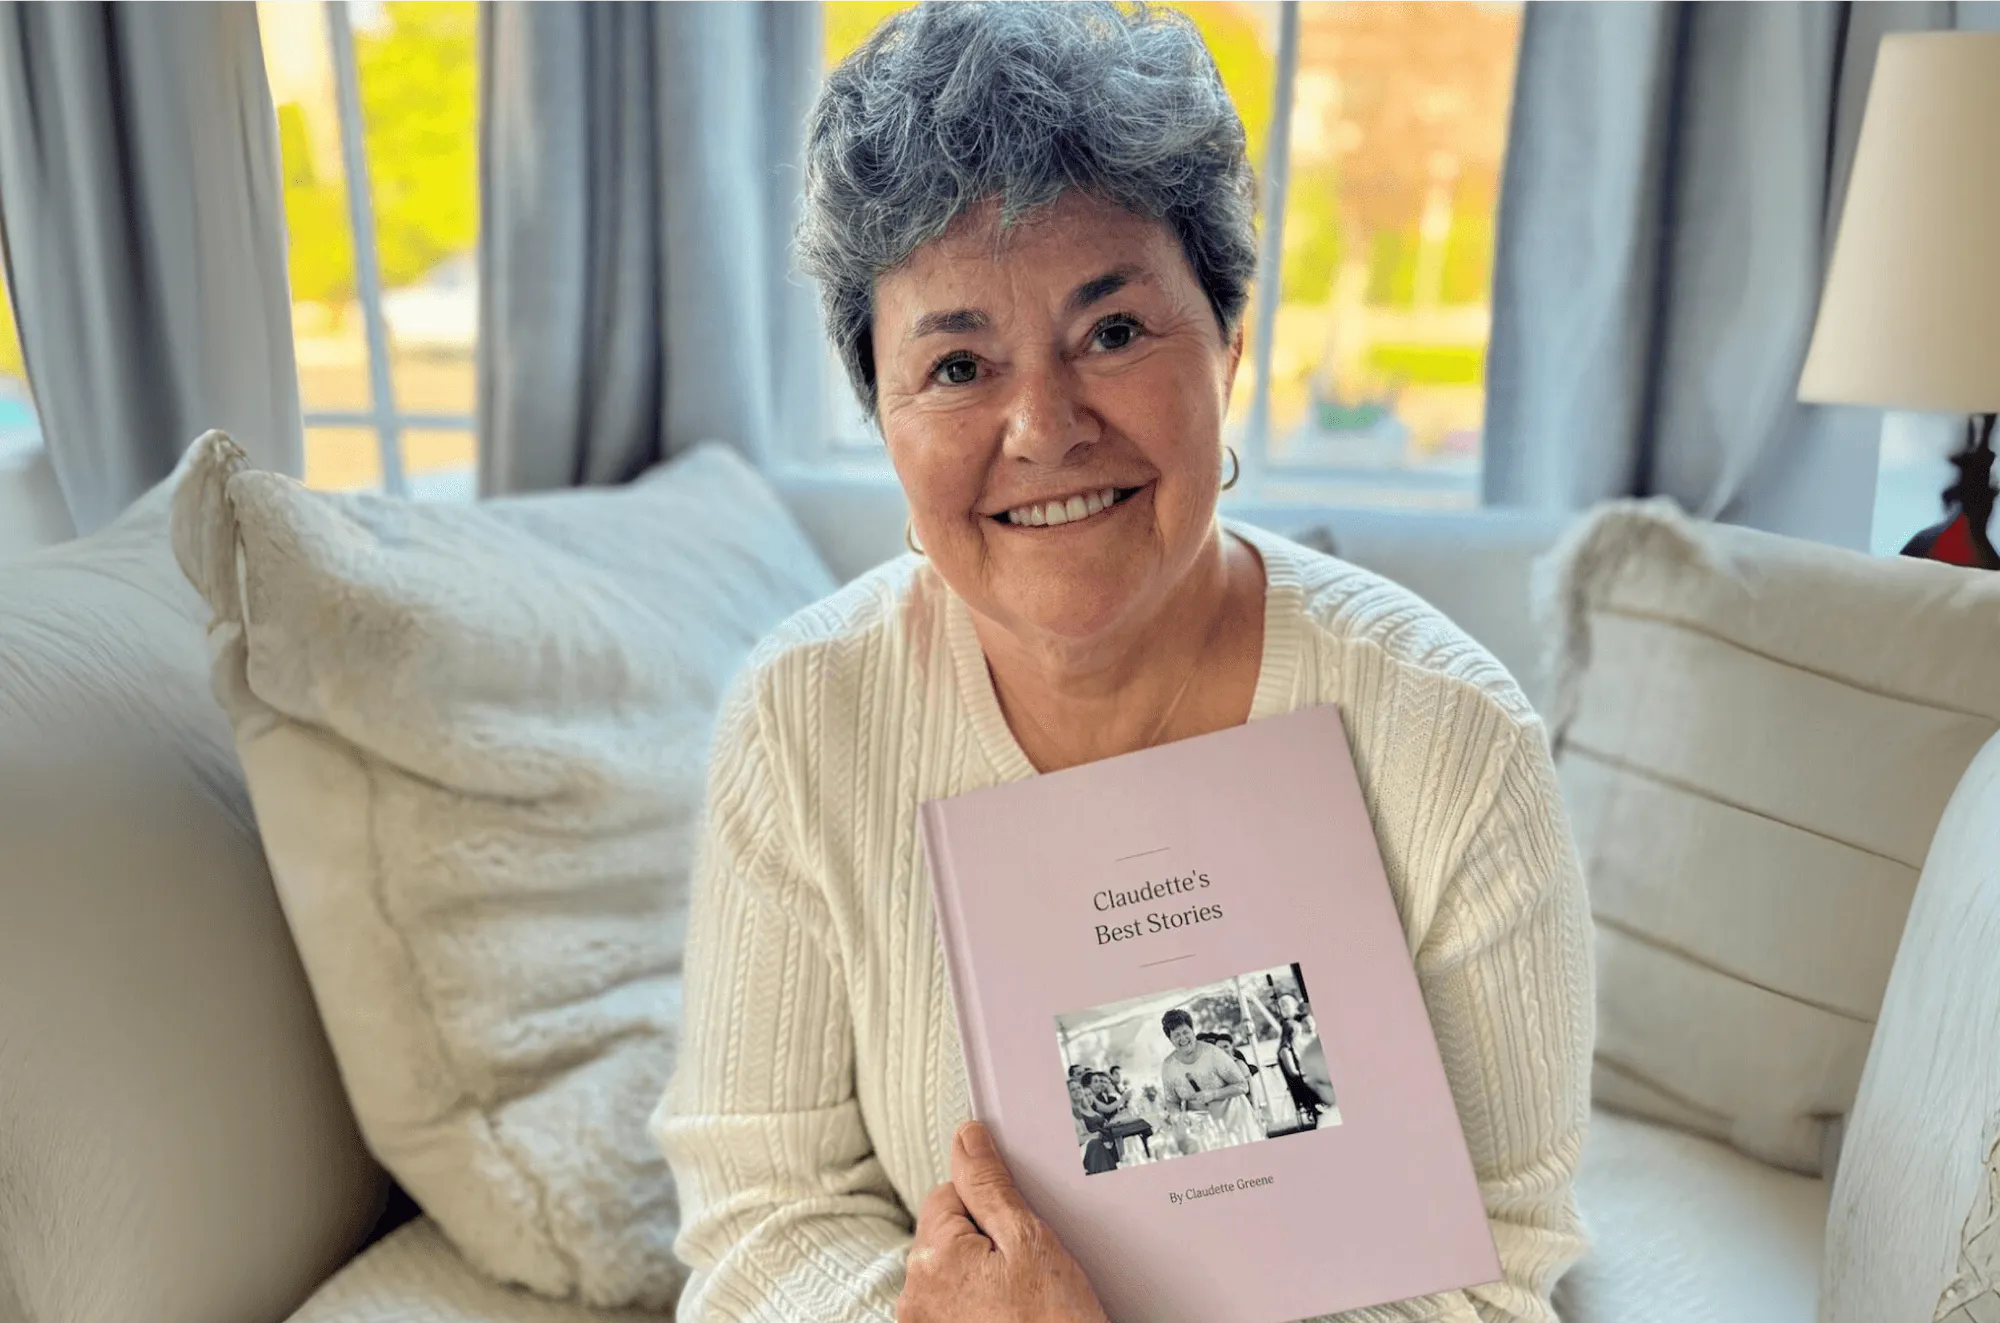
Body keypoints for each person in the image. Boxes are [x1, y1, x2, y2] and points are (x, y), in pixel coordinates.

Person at [652, 1, 1592, 1319]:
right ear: (884, 412)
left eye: (1112, 332)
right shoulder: (806, 719)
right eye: (959, 362)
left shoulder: (1452, 743)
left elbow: (1493, 1276)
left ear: (1230, 342)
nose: (1042, 427)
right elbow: (761, 1221)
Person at [1157, 1011, 1262, 1152]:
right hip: (1203, 1130)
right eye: (1176, 1035)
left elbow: (1242, 1085)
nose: (1182, 1038)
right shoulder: (1168, 1066)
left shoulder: (1213, 1053)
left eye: (1185, 1032)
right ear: (1170, 1039)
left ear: (1192, 1031)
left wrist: (1214, 1094)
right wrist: (1177, 1116)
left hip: (1235, 1121)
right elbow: (1172, 1101)